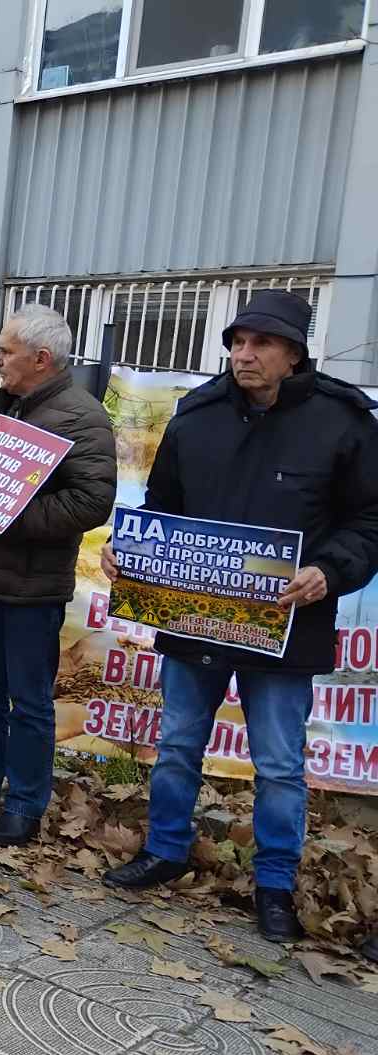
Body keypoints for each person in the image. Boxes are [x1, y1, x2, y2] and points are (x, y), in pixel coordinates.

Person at [101, 291, 378, 942]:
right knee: (176, 746)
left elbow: (369, 520)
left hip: (289, 625)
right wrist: (131, 554)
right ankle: (165, 851)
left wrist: (330, 572)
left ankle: (274, 885)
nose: (243, 354)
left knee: (280, 764)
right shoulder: (196, 416)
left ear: (293, 353)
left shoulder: (344, 422)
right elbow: (163, 507)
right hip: (195, 619)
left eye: (260, 344)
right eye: (236, 342)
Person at [0, 304, 116, 848]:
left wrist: (2, 521)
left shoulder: (82, 417)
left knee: (30, 702)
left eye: (6, 351)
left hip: (31, 587)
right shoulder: (10, 408)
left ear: (40, 359)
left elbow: (90, 502)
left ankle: (24, 806)